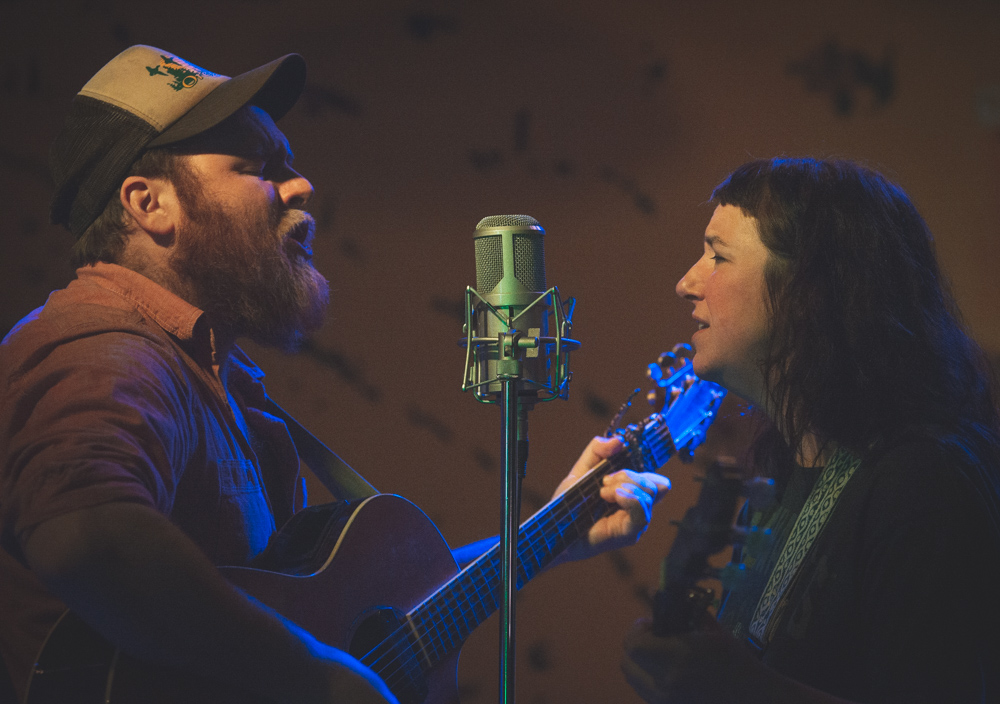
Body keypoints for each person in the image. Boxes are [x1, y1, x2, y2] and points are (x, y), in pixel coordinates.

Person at [0, 45, 671, 704]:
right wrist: (314, 677)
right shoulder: (99, 348)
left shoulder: (212, 372)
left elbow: (332, 620)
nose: (301, 186)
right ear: (150, 205)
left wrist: (546, 538)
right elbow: (90, 543)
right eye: (260, 165)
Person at [622, 157, 1000, 704]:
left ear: (808, 290)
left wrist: (742, 689)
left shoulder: (925, 485)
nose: (686, 283)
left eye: (717, 257)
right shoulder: (777, 478)